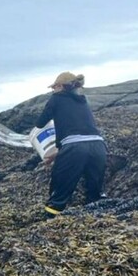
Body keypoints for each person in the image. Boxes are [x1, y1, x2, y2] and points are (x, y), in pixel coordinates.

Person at [35, 71, 107, 218]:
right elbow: (80, 133)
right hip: (99, 147)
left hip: (74, 148)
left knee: (59, 194)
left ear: (60, 86)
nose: (52, 90)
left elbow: (40, 123)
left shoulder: (56, 99)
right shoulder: (83, 100)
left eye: (53, 87)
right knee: (95, 194)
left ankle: (49, 222)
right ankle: (93, 223)